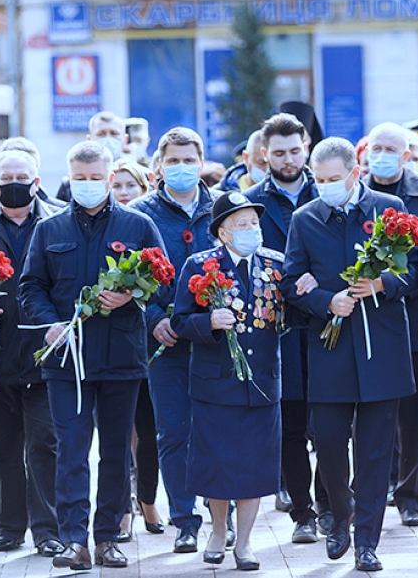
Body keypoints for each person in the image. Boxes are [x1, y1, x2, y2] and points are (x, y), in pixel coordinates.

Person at [19, 141, 166, 570]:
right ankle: (72, 539)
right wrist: (49, 322)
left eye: (95, 178)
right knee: (71, 449)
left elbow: (163, 278)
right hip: (67, 360)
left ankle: (107, 537)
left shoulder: (137, 225)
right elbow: (30, 287)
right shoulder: (49, 230)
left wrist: (130, 296)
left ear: (109, 176)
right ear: (69, 178)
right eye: (79, 179)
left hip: (121, 356)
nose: (88, 185)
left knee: (118, 451)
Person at [281, 136, 418, 572]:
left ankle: (367, 539)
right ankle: (340, 516)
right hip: (330, 348)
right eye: (318, 179)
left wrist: (382, 285)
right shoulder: (305, 219)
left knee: (377, 451)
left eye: (333, 179)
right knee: (326, 440)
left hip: (382, 344)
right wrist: (326, 300)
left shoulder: (387, 210)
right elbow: (290, 282)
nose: (325, 186)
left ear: (355, 173)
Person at [172, 191, 285, 571]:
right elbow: (179, 322)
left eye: (255, 223)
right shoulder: (200, 266)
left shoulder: (275, 265)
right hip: (214, 384)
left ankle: (247, 543)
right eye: (242, 224)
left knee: (254, 467)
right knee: (218, 465)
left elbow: (291, 317)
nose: (252, 230)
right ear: (223, 232)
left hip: (261, 383)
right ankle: (220, 529)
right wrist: (208, 323)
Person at [0, 150, 64, 557]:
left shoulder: (58, 223)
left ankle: (48, 529)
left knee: (46, 443)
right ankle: (8, 527)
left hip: (45, 356)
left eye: (23, 176)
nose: (15, 182)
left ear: (37, 181)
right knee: (1, 448)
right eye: (7, 176)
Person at [128, 127, 217, 555]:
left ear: (201, 163)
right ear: (158, 165)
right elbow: (129, 277)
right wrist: (151, 317)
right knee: (173, 432)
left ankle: (223, 516)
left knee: (218, 429)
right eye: (173, 160)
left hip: (217, 339)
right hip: (164, 343)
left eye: (189, 160)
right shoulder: (140, 214)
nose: (181, 167)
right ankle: (185, 519)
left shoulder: (222, 208)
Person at [242, 113, 326, 543]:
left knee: (329, 422)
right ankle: (303, 512)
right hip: (281, 326)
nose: (288, 159)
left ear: (307, 145)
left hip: (329, 322)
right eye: (279, 153)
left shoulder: (327, 189)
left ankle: (329, 504)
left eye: (295, 150)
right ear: (264, 154)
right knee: (291, 424)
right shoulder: (250, 201)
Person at [362, 122, 418, 528]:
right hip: (367, 320)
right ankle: (376, 486)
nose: (382, 155)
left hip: (416, 318)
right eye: (376, 147)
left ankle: (411, 494)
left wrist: (388, 284)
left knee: (415, 413)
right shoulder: (357, 194)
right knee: (372, 411)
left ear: (407, 154)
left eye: (391, 149)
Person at [103, 159, 165, 538]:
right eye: (119, 185)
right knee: (115, 434)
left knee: (149, 429)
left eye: (132, 185)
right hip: (110, 347)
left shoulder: (144, 229)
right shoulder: (105, 231)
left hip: (148, 346)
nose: (124, 192)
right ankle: (121, 509)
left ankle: (148, 500)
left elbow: (161, 280)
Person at [57, 111, 129, 202]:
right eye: (101, 134)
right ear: (89, 139)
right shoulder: (69, 183)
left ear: (125, 139)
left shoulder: (140, 176)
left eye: (114, 133)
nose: (108, 139)